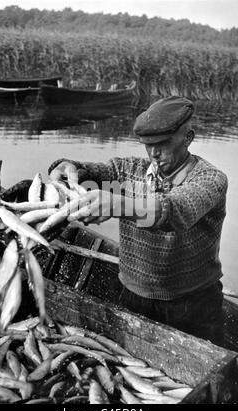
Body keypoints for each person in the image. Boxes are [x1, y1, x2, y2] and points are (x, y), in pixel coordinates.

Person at [48, 96, 228, 347]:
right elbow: (92, 174)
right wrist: (67, 168)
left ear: (188, 138)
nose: (154, 153)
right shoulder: (127, 171)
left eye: (163, 143)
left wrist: (118, 204)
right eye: (147, 144)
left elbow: (174, 211)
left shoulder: (210, 180)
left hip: (192, 304)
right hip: (132, 295)